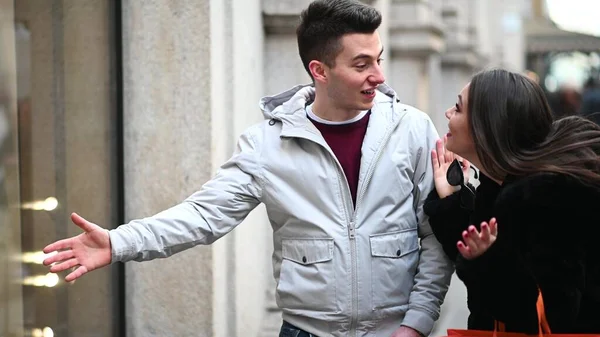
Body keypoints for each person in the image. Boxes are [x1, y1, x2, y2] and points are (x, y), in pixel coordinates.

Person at [42, 1, 453, 336]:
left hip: (396, 332)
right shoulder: (267, 145)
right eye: (362, 64)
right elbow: (203, 215)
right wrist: (119, 242)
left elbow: (435, 234)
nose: (378, 76)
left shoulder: (412, 129)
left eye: (378, 60)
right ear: (320, 70)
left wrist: (416, 324)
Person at [424, 68, 600, 333]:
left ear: (485, 126)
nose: (448, 113)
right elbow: (475, 250)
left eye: (458, 108)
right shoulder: (497, 187)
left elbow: (549, 313)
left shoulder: (543, 197)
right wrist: (449, 202)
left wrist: (486, 262)